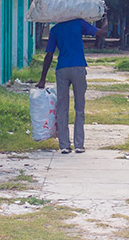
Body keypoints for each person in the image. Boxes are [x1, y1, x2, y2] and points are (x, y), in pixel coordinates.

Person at [37, 16, 104, 154]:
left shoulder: (55, 29)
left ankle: (64, 145)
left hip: (62, 69)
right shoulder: (79, 23)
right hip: (78, 67)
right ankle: (79, 145)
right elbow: (101, 33)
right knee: (79, 107)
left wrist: (42, 79)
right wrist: (106, 18)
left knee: (62, 108)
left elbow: (49, 55)